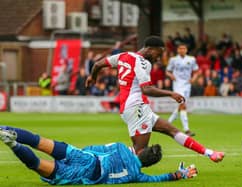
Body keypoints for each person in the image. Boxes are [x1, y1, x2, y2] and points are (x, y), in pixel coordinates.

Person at [86, 36, 224, 163]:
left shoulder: (124, 55)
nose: (158, 59)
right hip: (137, 107)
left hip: (131, 107)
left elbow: (98, 64)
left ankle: (209, 153)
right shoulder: (142, 62)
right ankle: (95, 156)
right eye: (158, 54)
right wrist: (171, 93)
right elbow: (147, 89)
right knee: (141, 153)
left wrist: (93, 77)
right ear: (150, 50)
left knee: (171, 130)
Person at [0, 126, 197, 185]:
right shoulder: (137, 175)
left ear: (141, 151)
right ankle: (11, 143)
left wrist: (82, 152)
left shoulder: (121, 147)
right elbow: (158, 179)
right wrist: (181, 174)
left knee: (39, 141)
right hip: (88, 175)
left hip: (86, 157)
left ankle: (5, 129)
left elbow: (99, 147)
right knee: (36, 165)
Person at [166, 43, 198, 136]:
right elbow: (167, 71)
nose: (182, 50)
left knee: (182, 104)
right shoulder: (173, 60)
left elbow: (196, 71)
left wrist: (194, 78)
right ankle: (187, 129)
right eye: (180, 48)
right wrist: (171, 75)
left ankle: (169, 121)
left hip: (187, 84)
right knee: (182, 104)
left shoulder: (191, 59)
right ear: (177, 50)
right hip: (177, 84)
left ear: (186, 50)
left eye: (184, 48)